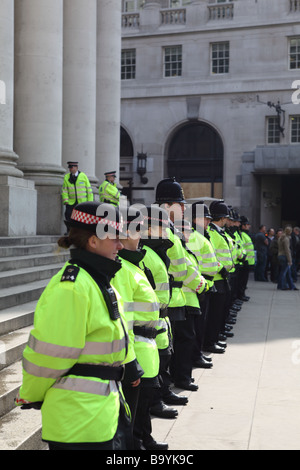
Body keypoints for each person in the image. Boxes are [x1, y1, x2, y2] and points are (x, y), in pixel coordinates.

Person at [15, 201, 132, 450]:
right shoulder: (73, 287)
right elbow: (48, 356)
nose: (121, 245)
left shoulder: (96, 280)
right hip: (78, 422)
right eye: (115, 238)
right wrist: (32, 393)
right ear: (93, 241)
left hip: (97, 416)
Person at [112, 209, 168, 451]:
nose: (141, 235)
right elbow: (123, 320)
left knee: (143, 406)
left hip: (147, 346)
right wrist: (130, 361)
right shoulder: (122, 268)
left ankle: (145, 439)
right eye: (136, 230)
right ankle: (139, 443)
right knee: (133, 414)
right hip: (135, 348)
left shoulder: (135, 263)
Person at [205, 201, 234, 354]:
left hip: (221, 278)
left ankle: (214, 339)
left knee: (219, 312)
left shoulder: (218, 233)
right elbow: (211, 256)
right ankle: (210, 342)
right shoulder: (213, 233)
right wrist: (221, 268)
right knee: (214, 314)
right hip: (216, 278)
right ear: (222, 218)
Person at [61, 161, 93, 232]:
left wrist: (89, 202)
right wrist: (65, 200)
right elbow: (64, 190)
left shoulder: (83, 176)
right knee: (68, 216)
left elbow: (89, 190)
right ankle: (69, 231)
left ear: (76, 167)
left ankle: (80, 232)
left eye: (72, 167)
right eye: (69, 168)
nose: (70, 169)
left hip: (82, 202)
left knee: (81, 218)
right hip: (71, 202)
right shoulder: (66, 177)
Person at [277, 226, 298, 291]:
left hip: (280, 255)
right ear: (290, 232)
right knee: (284, 272)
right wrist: (290, 260)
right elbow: (287, 250)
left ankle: (291, 286)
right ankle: (282, 286)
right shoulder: (286, 239)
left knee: (287, 272)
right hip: (284, 256)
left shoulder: (281, 238)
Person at [239, 216, 255, 296]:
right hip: (244, 261)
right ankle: (241, 294)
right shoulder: (242, 234)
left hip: (247, 261)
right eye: (247, 224)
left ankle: (242, 294)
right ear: (243, 225)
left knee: (244, 280)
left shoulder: (245, 234)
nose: (249, 226)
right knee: (242, 281)